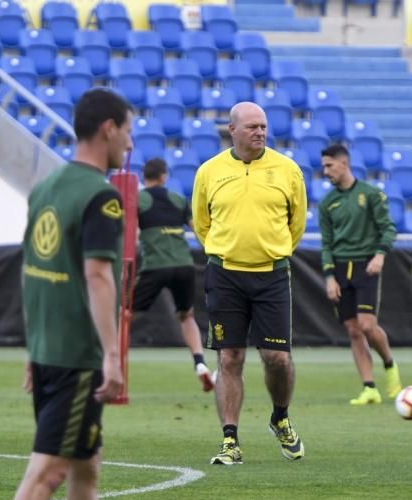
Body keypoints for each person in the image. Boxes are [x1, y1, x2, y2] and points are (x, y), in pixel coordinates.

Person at [0, 88, 142, 500]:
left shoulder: (47, 185)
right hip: (77, 356)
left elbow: (32, 269)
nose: (129, 140)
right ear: (106, 129)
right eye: (126, 129)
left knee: (85, 468)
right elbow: (100, 275)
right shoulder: (102, 197)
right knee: (49, 471)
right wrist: (111, 357)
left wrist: (34, 349)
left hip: (49, 350)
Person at [192, 101, 307, 465]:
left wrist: (275, 250)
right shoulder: (209, 172)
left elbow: (297, 222)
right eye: (253, 126)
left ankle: (280, 416)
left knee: (276, 358)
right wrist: (223, 249)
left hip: (271, 273)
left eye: (263, 126)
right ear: (233, 130)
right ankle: (230, 440)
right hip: (225, 273)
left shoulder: (287, 170)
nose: (260, 132)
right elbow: (201, 221)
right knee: (230, 357)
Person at [319, 143, 402, 405]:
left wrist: (379, 255)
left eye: (329, 166)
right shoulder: (327, 203)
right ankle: (369, 388)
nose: (326, 171)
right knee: (353, 330)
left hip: (366, 264)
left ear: (344, 164)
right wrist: (330, 276)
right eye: (323, 166)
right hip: (341, 269)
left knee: (367, 325)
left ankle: (389, 364)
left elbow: (389, 229)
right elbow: (326, 243)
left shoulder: (371, 194)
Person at [132, 157, 214, 391]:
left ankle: (108, 360)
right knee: (186, 315)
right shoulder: (178, 199)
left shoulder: (139, 199)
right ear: (164, 176)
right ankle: (200, 364)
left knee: (125, 315)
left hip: (156, 266)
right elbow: (199, 231)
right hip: (184, 265)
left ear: (144, 177)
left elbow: (127, 233)